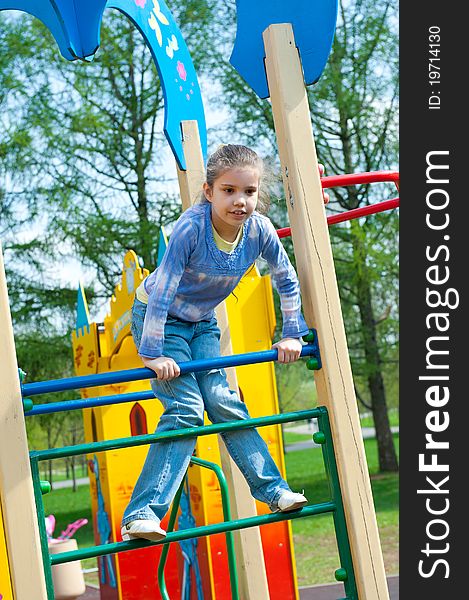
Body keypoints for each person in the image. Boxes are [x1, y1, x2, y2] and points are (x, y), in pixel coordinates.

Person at [121, 144, 327, 542]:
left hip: (202, 324)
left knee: (224, 402)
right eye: (229, 190)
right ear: (209, 191)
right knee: (186, 408)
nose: (240, 201)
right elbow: (162, 288)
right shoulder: (191, 228)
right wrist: (153, 353)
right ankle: (140, 515)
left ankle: (275, 492)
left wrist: (290, 333)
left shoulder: (260, 231)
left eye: (249, 192)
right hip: (159, 320)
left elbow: (285, 278)